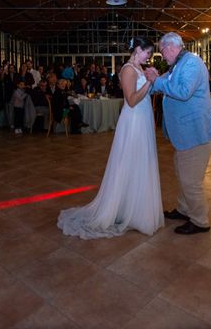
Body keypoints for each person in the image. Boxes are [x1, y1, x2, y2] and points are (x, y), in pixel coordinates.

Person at [58, 37, 164, 239]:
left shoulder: (140, 68)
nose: (149, 56)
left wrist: (154, 81)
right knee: (129, 162)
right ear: (138, 50)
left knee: (141, 163)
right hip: (133, 121)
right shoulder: (127, 70)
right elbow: (132, 100)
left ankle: (136, 209)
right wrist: (149, 83)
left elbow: (146, 94)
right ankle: (124, 209)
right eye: (148, 52)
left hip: (143, 119)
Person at [146, 32, 211, 235]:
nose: (162, 55)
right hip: (186, 133)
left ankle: (200, 221)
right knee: (182, 173)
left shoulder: (191, 63)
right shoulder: (179, 64)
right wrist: (150, 84)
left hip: (195, 132)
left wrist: (156, 81)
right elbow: (162, 83)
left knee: (191, 181)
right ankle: (184, 209)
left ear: (171, 47)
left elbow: (183, 91)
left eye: (162, 51)